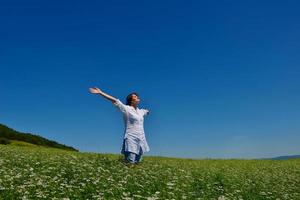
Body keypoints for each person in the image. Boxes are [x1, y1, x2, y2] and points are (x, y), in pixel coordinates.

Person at [89, 87, 150, 164]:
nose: (137, 97)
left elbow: (146, 112)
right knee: (130, 162)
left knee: (138, 162)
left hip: (141, 139)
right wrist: (100, 93)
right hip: (131, 138)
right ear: (131, 100)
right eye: (135, 96)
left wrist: (148, 111)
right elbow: (114, 100)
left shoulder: (141, 111)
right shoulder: (126, 109)